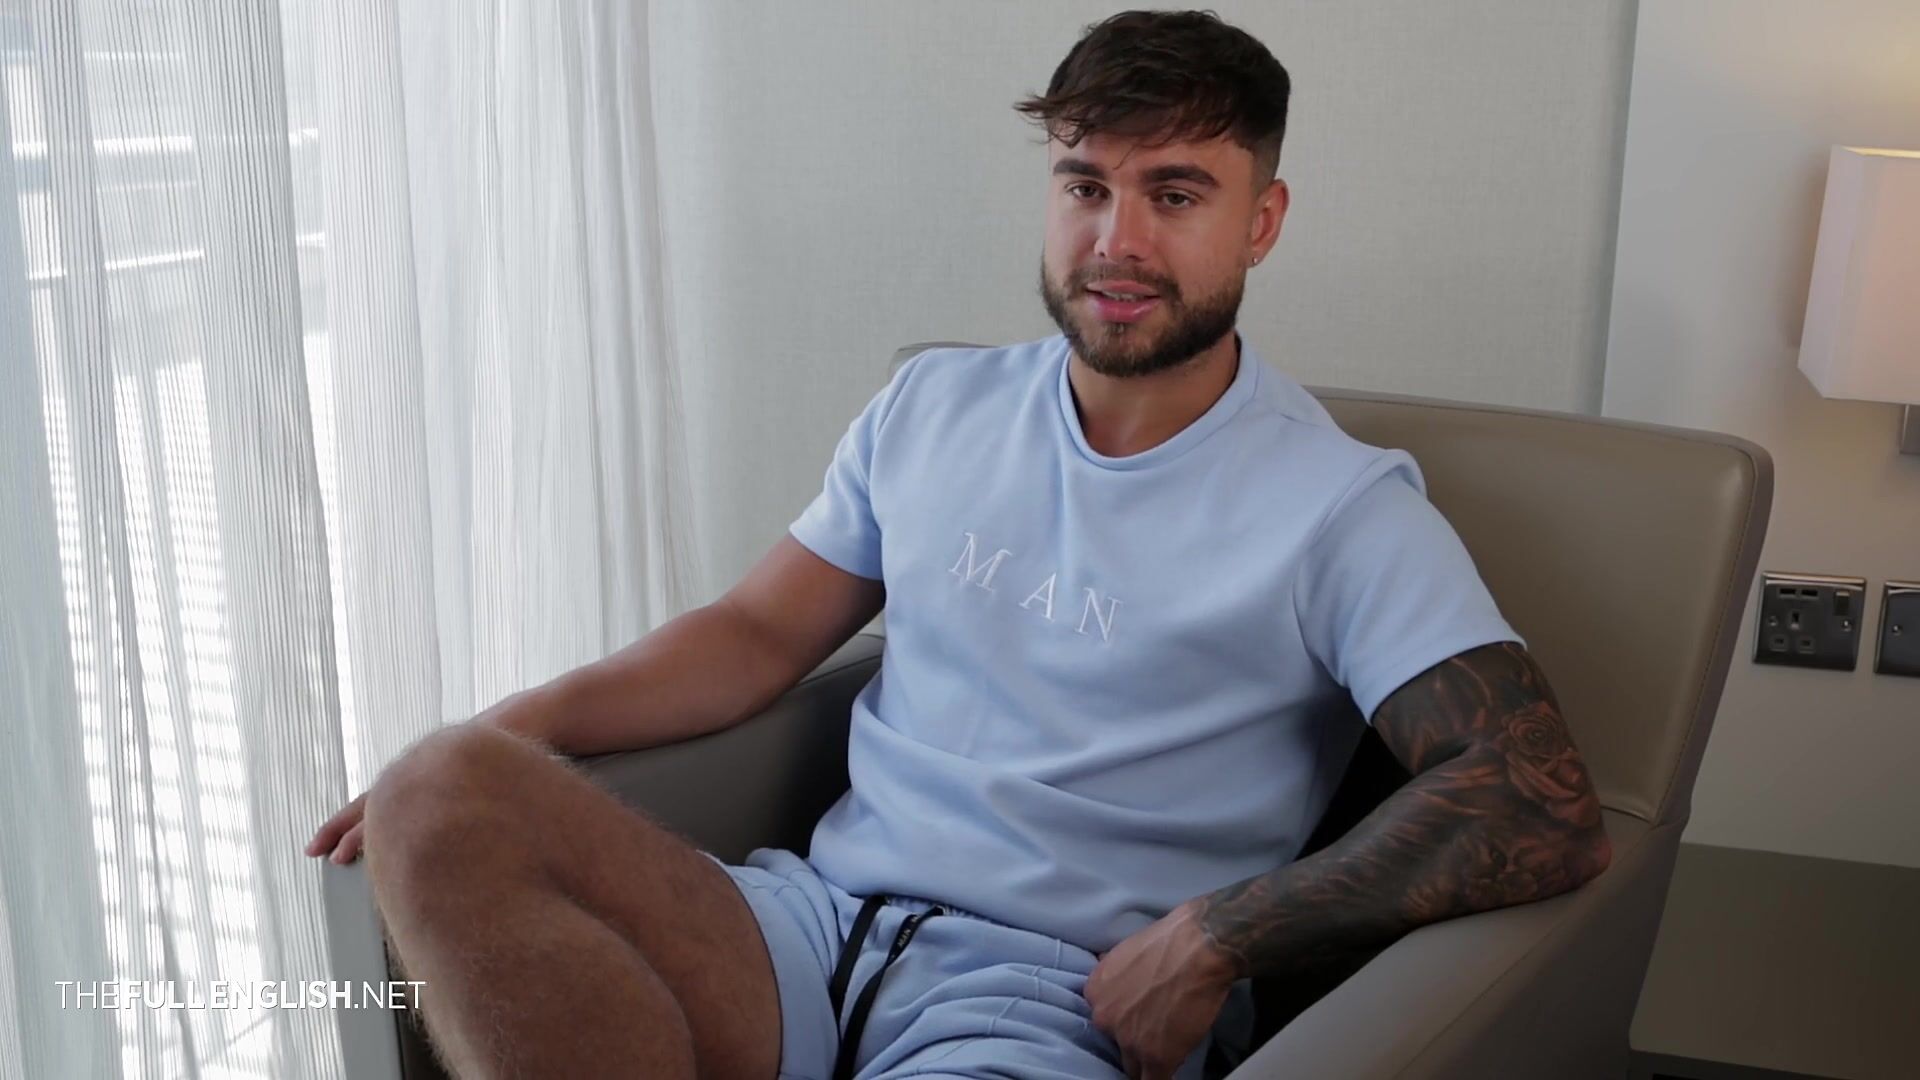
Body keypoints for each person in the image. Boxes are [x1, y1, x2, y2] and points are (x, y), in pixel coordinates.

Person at [306, 10, 1612, 1080]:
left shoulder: (1338, 506)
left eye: (1176, 194)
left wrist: (1222, 936)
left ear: (1262, 221)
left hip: (1047, 1004)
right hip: (803, 930)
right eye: (1086, 186)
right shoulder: (934, 405)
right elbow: (754, 635)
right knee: (438, 788)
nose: (1118, 240)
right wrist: (509, 735)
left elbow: (1535, 798)